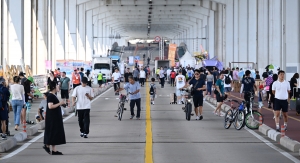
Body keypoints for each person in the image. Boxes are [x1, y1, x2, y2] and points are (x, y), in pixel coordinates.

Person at [43, 81, 66, 155]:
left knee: (54, 132)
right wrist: (60, 103)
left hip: (55, 117)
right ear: (53, 87)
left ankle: (54, 150)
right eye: (57, 86)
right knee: (52, 132)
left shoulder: (53, 95)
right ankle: (47, 145)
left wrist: (61, 104)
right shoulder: (50, 96)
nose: (58, 87)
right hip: (52, 118)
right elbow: (50, 106)